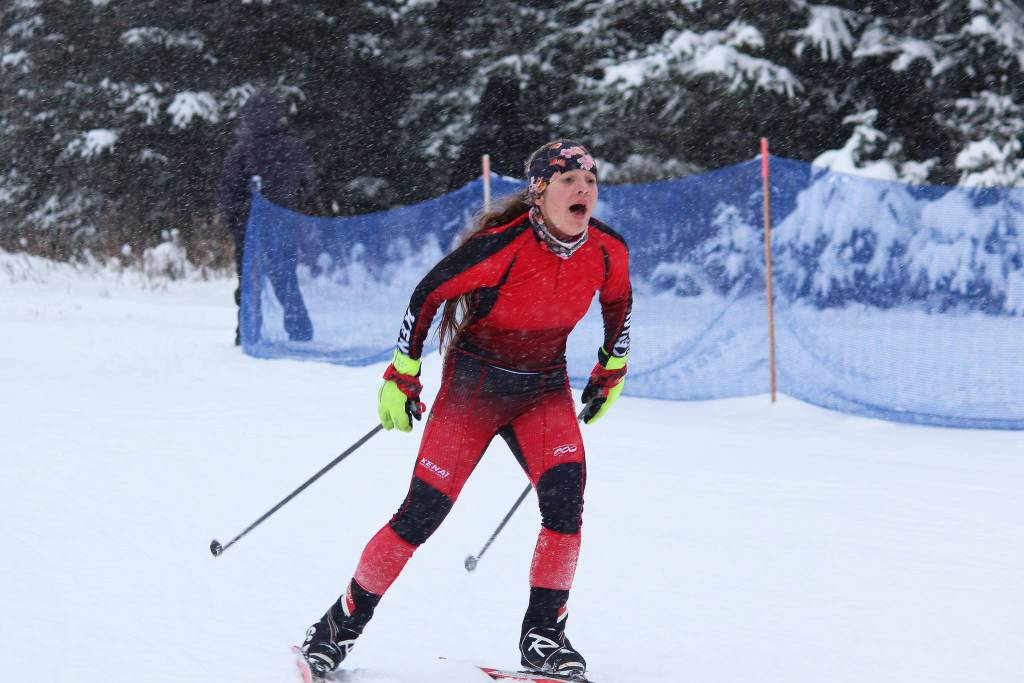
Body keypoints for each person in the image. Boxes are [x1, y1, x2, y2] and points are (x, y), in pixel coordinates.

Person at [300, 140, 632, 681]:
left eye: (591, 181)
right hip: (474, 388)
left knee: (566, 503)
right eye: (570, 180)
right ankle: (338, 627)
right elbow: (427, 295)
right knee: (421, 514)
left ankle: (544, 636)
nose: (584, 191)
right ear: (540, 191)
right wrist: (402, 373)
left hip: (543, 388)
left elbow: (618, 300)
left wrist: (611, 367)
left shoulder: (606, 250)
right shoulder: (501, 245)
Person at [217, 88, 316, 344]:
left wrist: (235, 222)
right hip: (283, 225)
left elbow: (228, 191)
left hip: (248, 228)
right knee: (285, 279)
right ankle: (300, 330)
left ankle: (248, 333)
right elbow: (307, 185)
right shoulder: (293, 148)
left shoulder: (242, 151)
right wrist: (290, 206)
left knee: (249, 281)